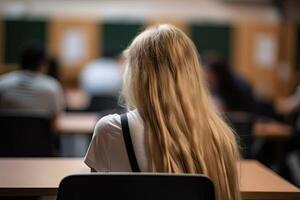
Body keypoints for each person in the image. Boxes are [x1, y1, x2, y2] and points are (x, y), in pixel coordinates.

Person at [84, 24, 241, 200]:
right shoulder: (220, 136)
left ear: (136, 75)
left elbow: (93, 194)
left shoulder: (111, 130)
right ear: (192, 74)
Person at [0, 44, 65, 117]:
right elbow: (57, 116)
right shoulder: (52, 86)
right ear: (43, 64)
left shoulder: (2, 82)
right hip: (41, 128)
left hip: (7, 128)